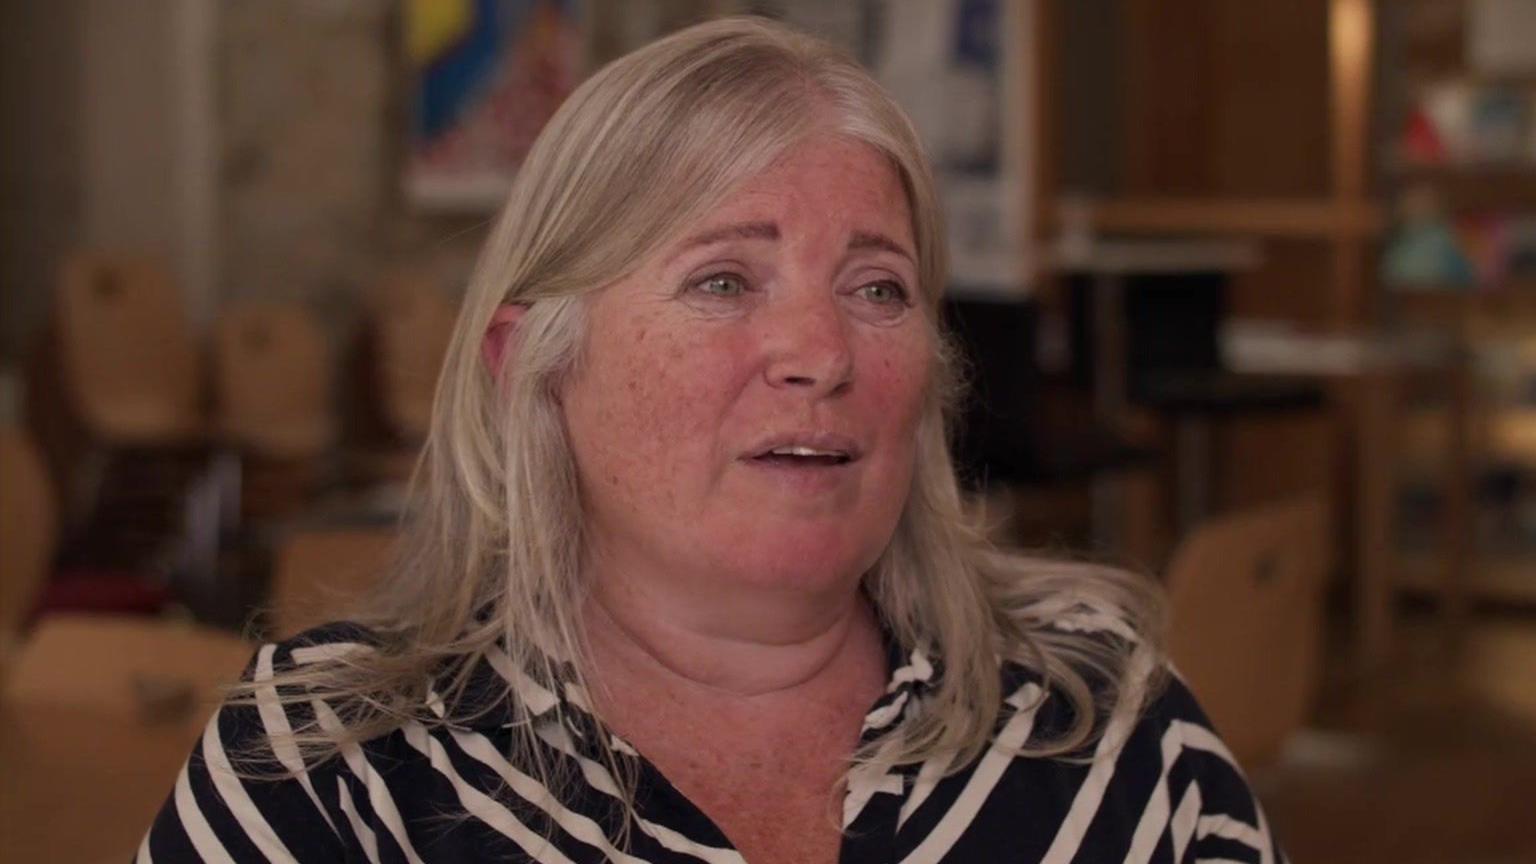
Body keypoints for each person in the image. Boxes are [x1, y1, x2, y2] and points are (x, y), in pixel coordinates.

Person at [140, 16, 1282, 864]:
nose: (820, 352)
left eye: (878, 289)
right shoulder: (327, 773)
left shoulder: (1108, 718)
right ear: (531, 367)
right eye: (725, 279)